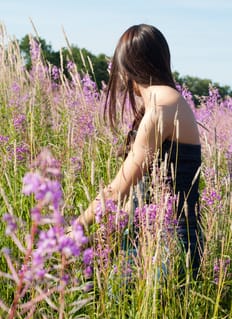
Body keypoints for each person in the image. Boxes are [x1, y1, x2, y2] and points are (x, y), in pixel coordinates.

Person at [76, 24, 203, 278]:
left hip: (165, 246)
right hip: (172, 241)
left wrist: (72, 233)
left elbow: (117, 190)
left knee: (112, 307)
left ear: (128, 71)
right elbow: (142, 192)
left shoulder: (161, 109)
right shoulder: (171, 102)